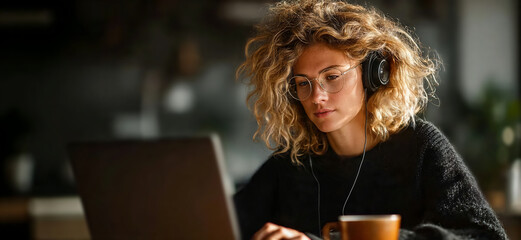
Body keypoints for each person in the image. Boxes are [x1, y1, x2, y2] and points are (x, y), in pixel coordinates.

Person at [234, 0, 508, 239]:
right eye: (303, 83)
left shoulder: (421, 147)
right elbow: (223, 224)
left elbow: (484, 236)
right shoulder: (292, 163)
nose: (316, 96)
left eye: (331, 77)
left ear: (373, 74)